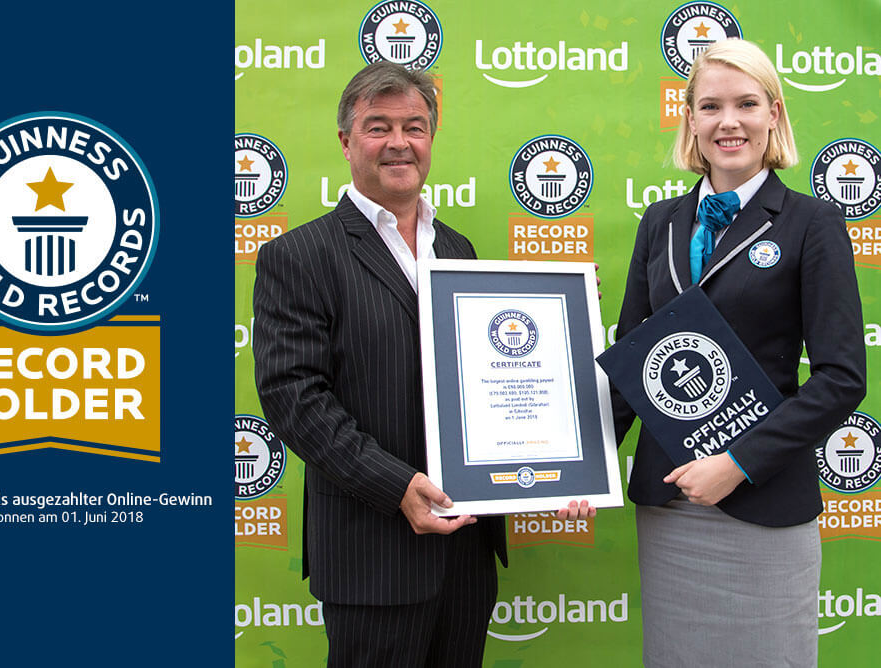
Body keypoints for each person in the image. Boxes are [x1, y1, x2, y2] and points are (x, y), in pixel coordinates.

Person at [253, 61, 593, 667]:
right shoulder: (299, 254)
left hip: (466, 555)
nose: (399, 142)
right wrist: (397, 487)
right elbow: (294, 398)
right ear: (346, 141)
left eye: (414, 126)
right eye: (378, 127)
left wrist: (553, 469)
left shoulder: (458, 249)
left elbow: (494, 385)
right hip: (371, 555)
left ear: (431, 138)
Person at [611, 39, 866, 667]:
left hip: (765, 501)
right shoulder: (659, 222)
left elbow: (841, 378)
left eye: (747, 104)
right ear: (690, 120)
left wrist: (737, 462)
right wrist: (579, 464)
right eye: (711, 106)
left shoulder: (812, 223)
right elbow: (631, 365)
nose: (729, 122)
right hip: (671, 502)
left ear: (773, 114)